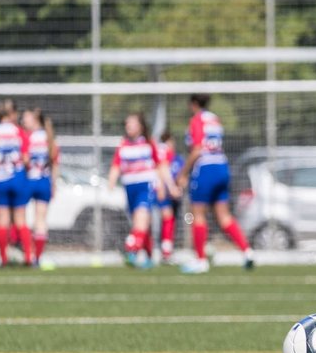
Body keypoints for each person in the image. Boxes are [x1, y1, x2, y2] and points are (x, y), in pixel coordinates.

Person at [176, 94, 252, 273]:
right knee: (224, 215)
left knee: (198, 214)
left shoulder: (196, 120)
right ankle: (247, 251)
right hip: (222, 167)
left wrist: (183, 173)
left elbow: (196, 150)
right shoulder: (215, 119)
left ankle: (201, 259)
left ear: (193, 104)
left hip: (205, 169)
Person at [106, 112, 170, 268]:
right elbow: (116, 166)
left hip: (146, 186)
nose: (129, 126)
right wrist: (111, 183)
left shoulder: (148, 143)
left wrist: (166, 185)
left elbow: (160, 166)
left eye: (132, 123)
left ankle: (131, 249)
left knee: (141, 220)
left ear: (140, 126)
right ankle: (148, 256)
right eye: (127, 123)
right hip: (130, 188)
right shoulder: (123, 145)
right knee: (141, 224)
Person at [0, 100, 33, 267]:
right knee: (20, 219)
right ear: (12, 114)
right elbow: (26, 158)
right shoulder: (18, 131)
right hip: (17, 177)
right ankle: (28, 257)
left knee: (2, 220)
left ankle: (3, 259)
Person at [21, 107, 57, 266]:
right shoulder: (49, 138)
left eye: (26, 117)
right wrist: (53, 184)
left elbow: (25, 160)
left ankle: (25, 252)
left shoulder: (28, 137)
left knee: (19, 218)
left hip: (29, 180)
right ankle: (37, 257)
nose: (23, 120)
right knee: (40, 220)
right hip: (44, 181)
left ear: (34, 120)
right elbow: (55, 163)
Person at [155, 131, 183, 263]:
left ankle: (166, 250)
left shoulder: (177, 158)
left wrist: (179, 188)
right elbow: (162, 170)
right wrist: (168, 187)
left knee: (171, 219)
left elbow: (182, 176)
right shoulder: (164, 152)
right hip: (162, 192)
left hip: (171, 194)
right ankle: (165, 251)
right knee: (167, 217)